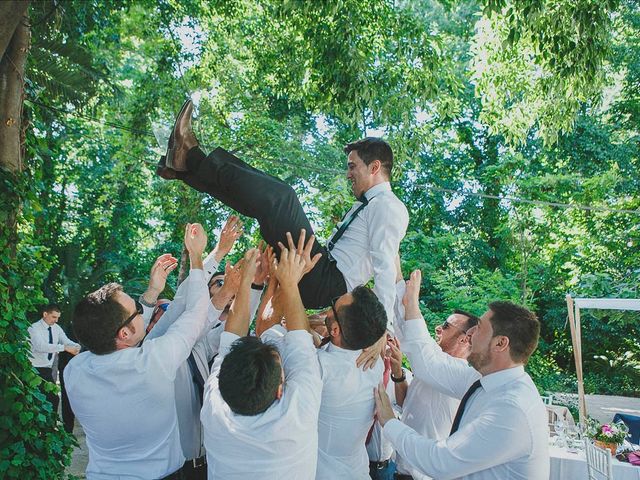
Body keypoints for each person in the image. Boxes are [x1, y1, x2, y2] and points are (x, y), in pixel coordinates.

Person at [157, 100, 408, 336]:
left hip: (327, 282)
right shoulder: (373, 205)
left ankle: (190, 156)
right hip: (320, 271)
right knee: (265, 206)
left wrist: (382, 330)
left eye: (352, 166)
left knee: (281, 198)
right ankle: (183, 169)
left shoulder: (389, 207)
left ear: (374, 167)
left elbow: (385, 267)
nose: (348, 174)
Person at [65, 223, 210, 479]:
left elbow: (120, 335)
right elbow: (197, 313)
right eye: (137, 310)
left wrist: (153, 291)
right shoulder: (154, 362)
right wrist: (197, 256)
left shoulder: (74, 370)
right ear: (123, 334)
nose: (143, 312)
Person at [374, 270, 549, 480]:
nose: (471, 335)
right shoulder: (481, 381)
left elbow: (441, 461)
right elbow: (427, 360)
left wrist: (390, 422)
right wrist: (408, 298)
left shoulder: (512, 408)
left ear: (501, 343)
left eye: (480, 329)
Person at [201, 237, 323, 479]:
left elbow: (296, 338)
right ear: (279, 391)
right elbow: (297, 337)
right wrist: (271, 280)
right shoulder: (214, 405)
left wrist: (282, 282)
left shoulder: (215, 411)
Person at [389, 310, 479, 480]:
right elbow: (406, 405)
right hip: (402, 470)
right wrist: (398, 374)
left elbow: (413, 338)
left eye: (446, 326)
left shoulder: (456, 373)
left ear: (464, 339)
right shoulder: (434, 369)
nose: (438, 328)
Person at [28, 304, 80, 414]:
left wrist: (77, 346)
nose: (56, 320)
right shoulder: (34, 328)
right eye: (53, 317)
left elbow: (65, 340)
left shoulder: (56, 328)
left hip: (46, 369)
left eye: (58, 318)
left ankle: (49, 428)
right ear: (45, 314)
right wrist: (65, 348)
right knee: (39, 401)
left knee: (53, 399)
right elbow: (41, 347)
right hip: (33, 369)